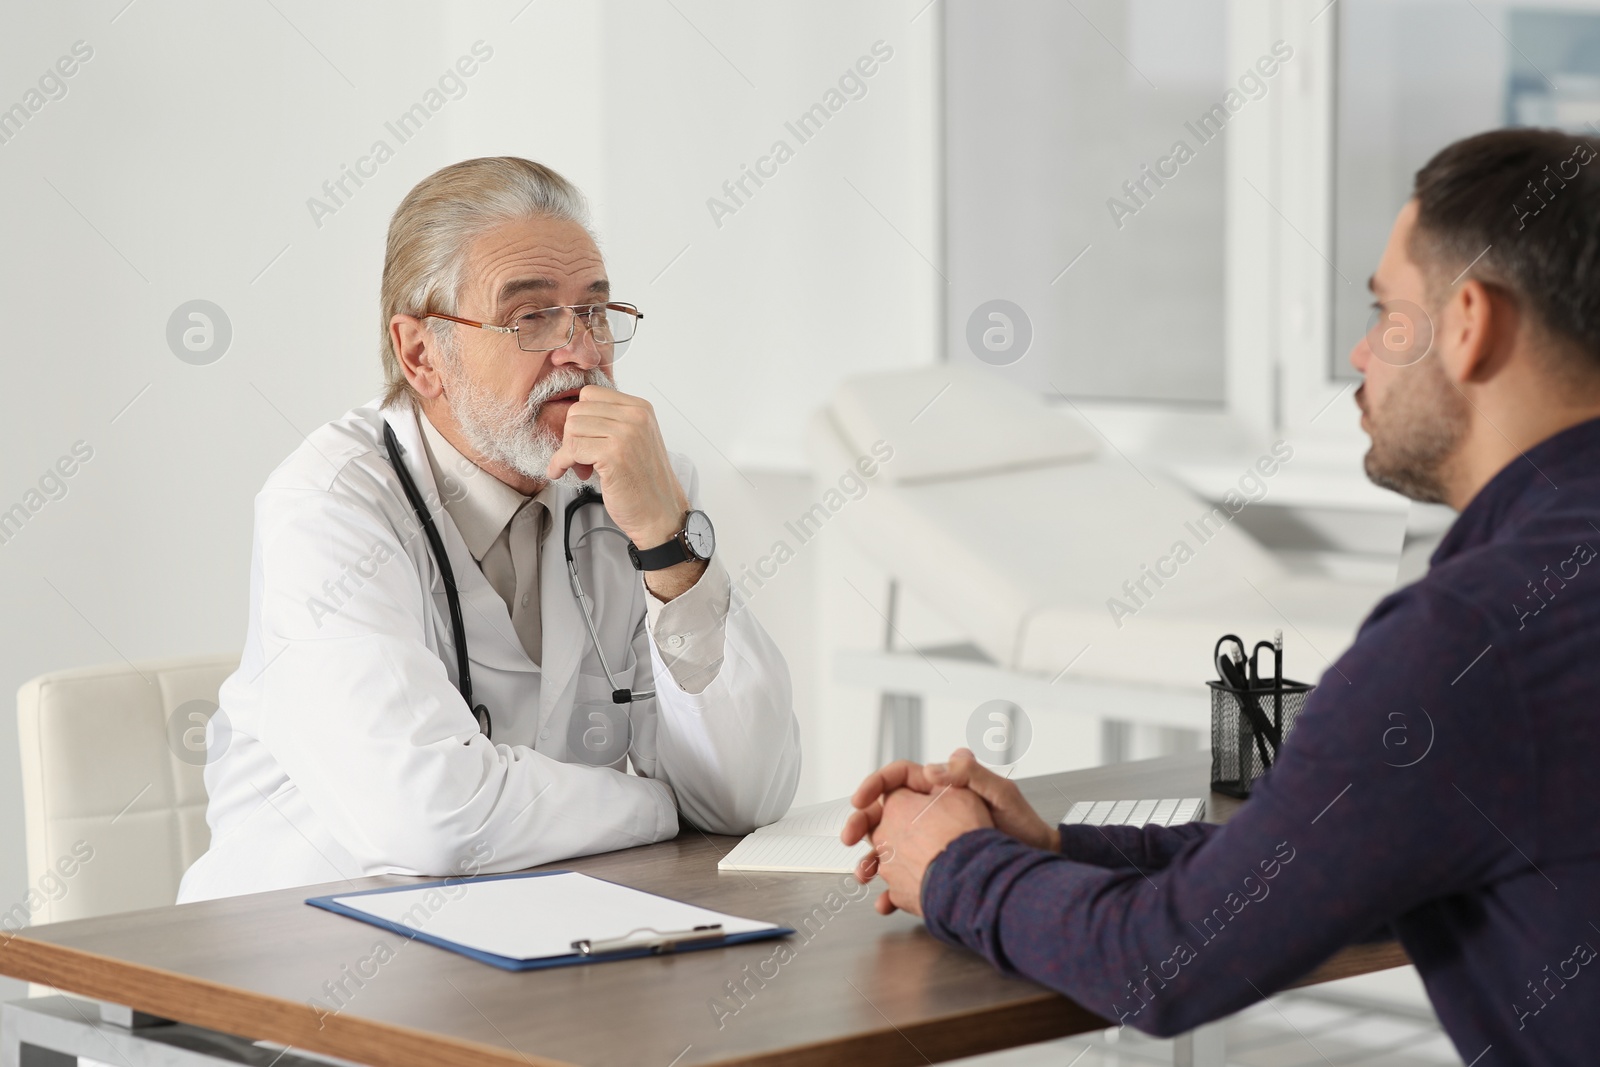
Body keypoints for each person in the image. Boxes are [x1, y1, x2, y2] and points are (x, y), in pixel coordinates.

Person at [843, 127, 1600, 1064]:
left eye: (1383, 310)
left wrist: (955, 866)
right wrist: (1055, 845)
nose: (1362, 353)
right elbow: (1335, 851)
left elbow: (1164, 960)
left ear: (1469, 323)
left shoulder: (1464, 639)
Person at [179, 157, 800, 902]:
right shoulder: (329, 504)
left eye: (595, 311)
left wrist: (669, 542)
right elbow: (431, 818)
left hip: (538, 942)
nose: (581, 351)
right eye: (532, 316)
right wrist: (661, 807)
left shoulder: (638, 487)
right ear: (420, 353)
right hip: (298, 970)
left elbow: (749, 797)